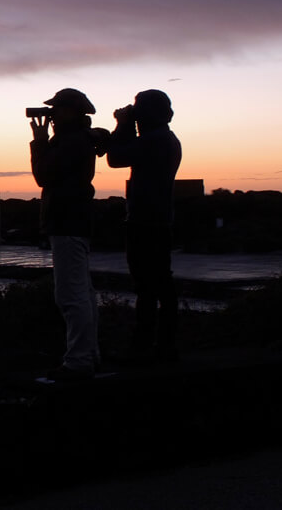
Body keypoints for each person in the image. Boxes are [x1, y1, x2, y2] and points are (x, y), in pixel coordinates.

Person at [29, 88, 108, 381]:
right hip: (73, 221)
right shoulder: (78, 138)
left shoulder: (73, 140)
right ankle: (89, 355)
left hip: (67, 222)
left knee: (70, 295)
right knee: (82, 293)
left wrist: (39, 144)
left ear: (70, 111)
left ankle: (78, 362)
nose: (51, 114)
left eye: (56, 109)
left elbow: (44, 175)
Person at [106, 89, 182, 363]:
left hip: (146, 222)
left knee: (149, 287)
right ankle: (162, 344)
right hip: (158, 219)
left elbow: (114, 158)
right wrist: (128, 124)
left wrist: (122, 124)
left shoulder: (155, 140)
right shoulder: (165, 139)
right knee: (160, 284)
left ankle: (148, 346)